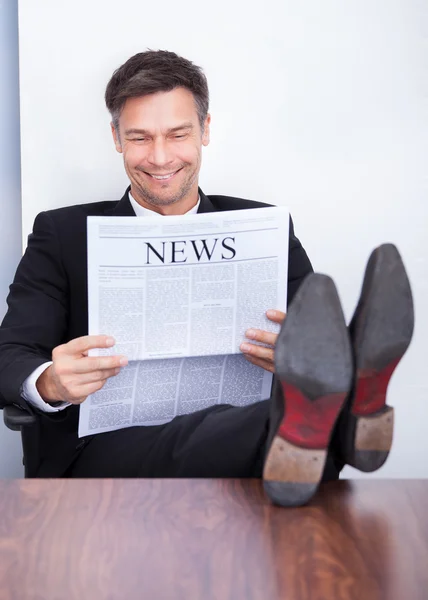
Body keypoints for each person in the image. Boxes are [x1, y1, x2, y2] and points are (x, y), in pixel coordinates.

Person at [0, 50, 414, 506]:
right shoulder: (61, 234)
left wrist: (295, 358)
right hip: (106, 455)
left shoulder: (262, 229)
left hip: (250, 440)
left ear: (206, 131)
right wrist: (48, 382)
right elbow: (10, 353)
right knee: (278, 420)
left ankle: (333, 403)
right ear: (116, 137)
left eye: (178, 135)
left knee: (288, 399)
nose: (159, 158)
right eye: (140, 138)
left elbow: (313, 341)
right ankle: (351, 415)